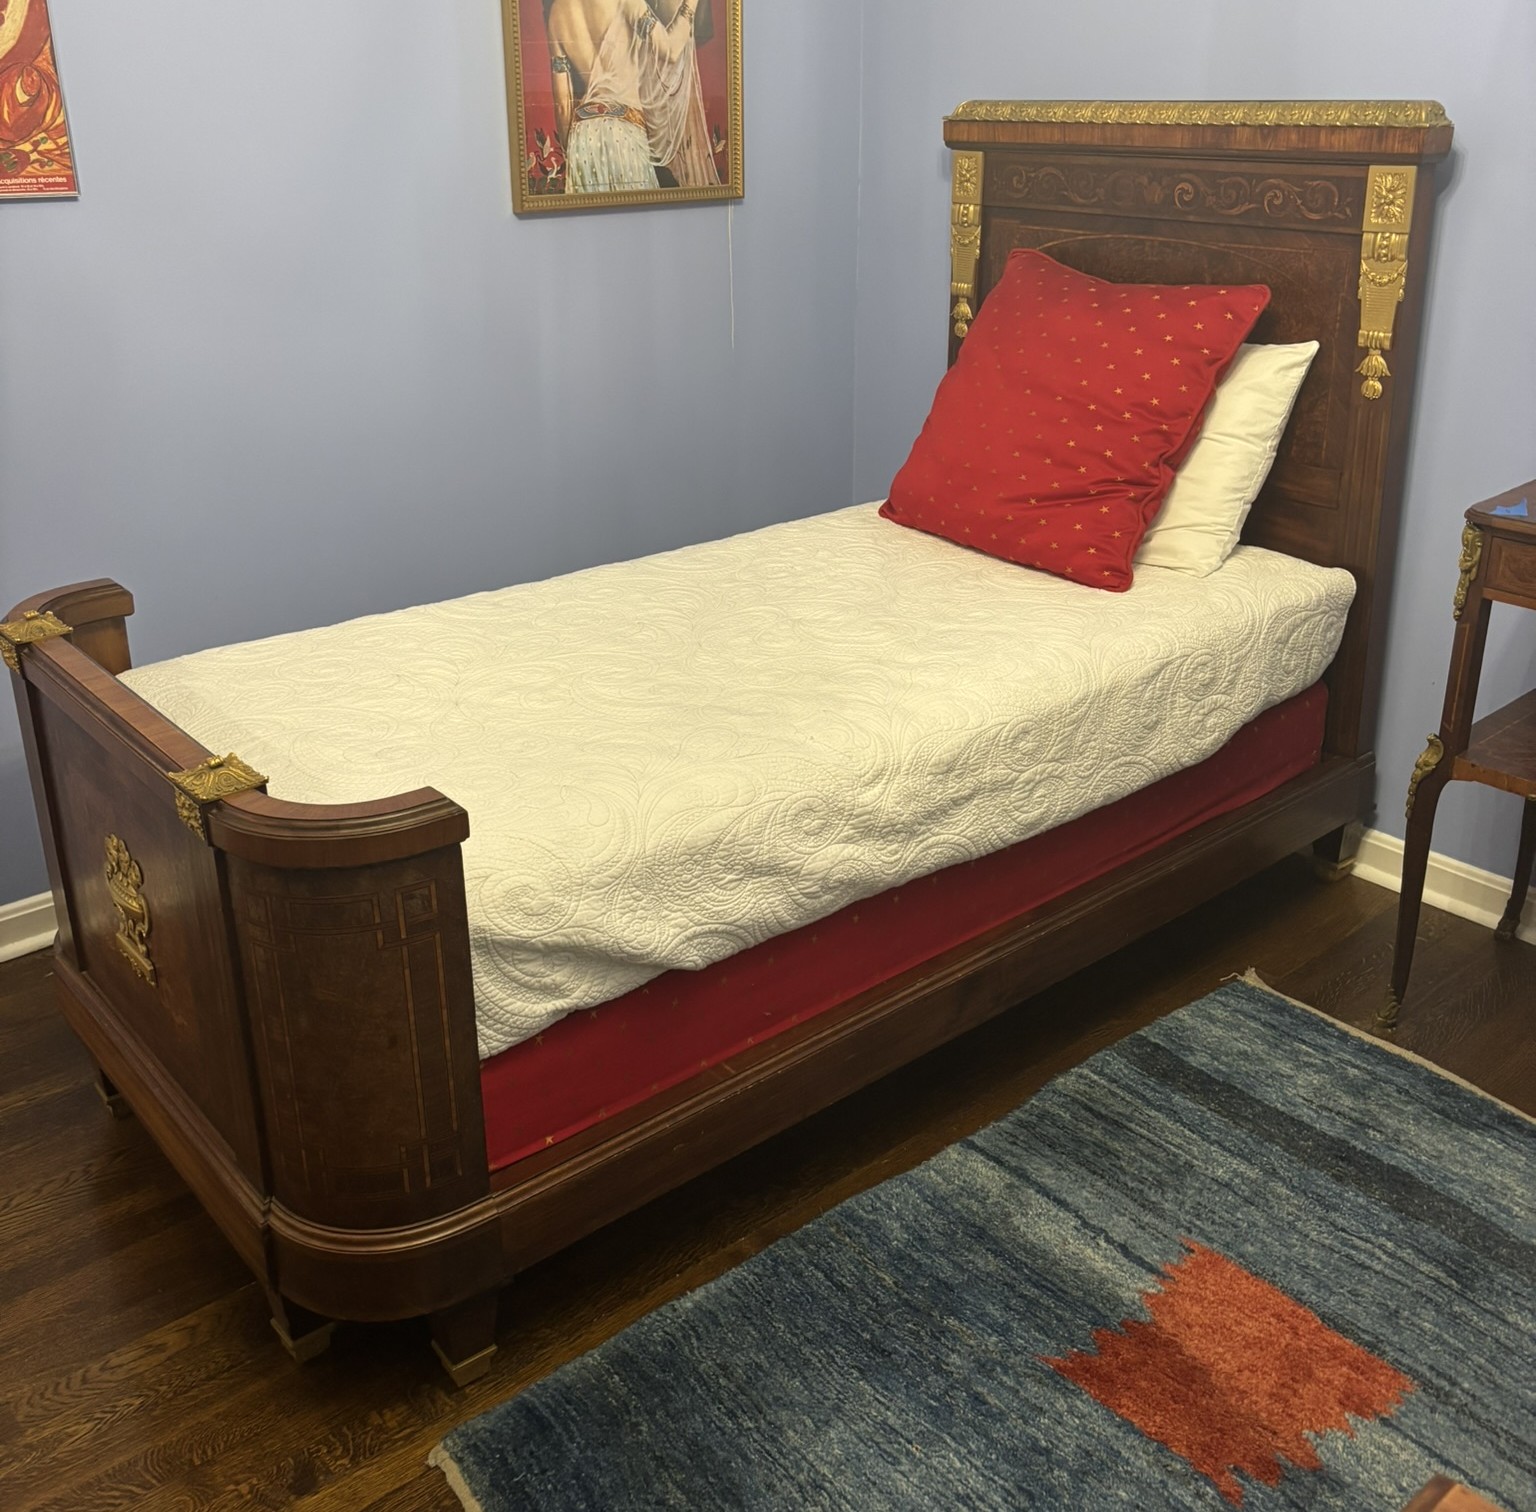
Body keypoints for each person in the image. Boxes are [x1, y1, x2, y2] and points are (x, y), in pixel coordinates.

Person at [543, 0, 720, 193]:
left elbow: (563, 106)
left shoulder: (556, 14)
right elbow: (671, 51)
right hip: (624, 132)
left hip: (582, 137)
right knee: (635, 209)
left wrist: (574, 152)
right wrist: (691, 4)